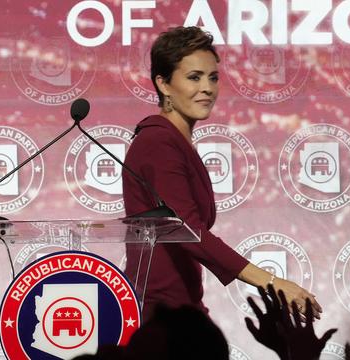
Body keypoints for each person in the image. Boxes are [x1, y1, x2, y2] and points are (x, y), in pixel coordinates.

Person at [122, 26, 322, 321]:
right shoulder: (158, 141)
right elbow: (187, 230)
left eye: (212, 77)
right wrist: (273, 283)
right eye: (194, 77)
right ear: (163, 83)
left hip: (182, 308)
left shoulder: (175, 141)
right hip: (161, 314)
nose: (207, 88)